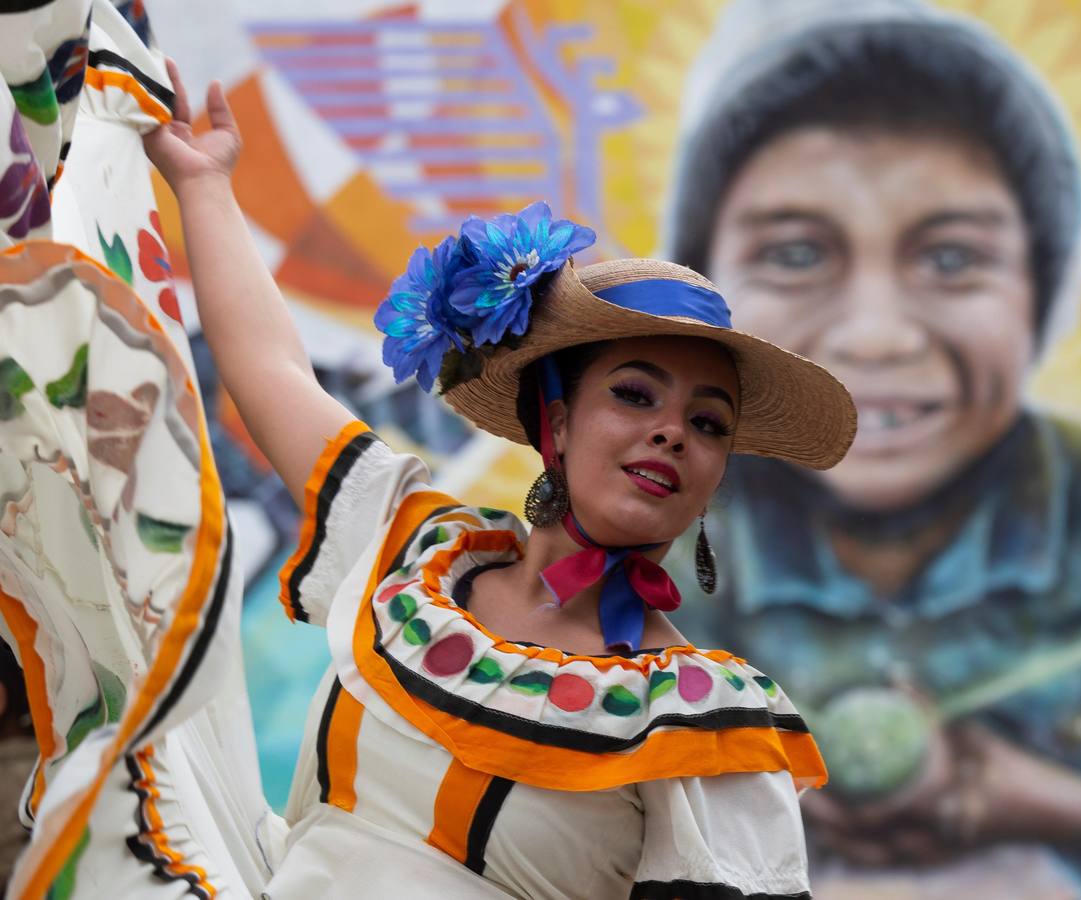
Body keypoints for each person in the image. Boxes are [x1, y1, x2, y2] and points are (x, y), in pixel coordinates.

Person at [120, 57, 851, 898]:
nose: (671, 432)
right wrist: (205, 184)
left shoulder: (710, 723)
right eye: (636, 393)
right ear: (559, 419)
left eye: (708, 422)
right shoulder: (407, 548)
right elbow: (272, 372)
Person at [663, 0, 1081, 890]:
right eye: (795, 254)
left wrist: (1063, 804)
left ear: (1039, 292)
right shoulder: (672, 512)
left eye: (952, 259)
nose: (878, 336)